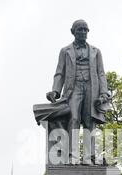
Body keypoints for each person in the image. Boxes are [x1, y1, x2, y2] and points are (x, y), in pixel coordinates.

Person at [46, 19, 110, 164]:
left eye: (85, 30)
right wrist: (55, 91)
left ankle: (89, 157)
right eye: (79, 29)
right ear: (73, 31)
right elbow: (60, 73)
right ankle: (72, 156)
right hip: (73, 88)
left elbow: (101, 73)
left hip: (91, 88)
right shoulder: (65, 51)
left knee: (89, 122)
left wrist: (104, 93)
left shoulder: (96, 51)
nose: (82, 32)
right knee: (74, 119)